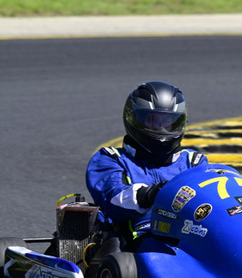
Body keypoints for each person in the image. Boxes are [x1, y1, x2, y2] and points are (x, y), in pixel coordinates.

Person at [86, 81, 207, 246]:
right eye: (153, 121)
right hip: (140, 241)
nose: (161, 129)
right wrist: (148, 194)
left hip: (190, 239)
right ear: (133, 119)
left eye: (167, 122)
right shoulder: (110, 158)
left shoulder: (193, 162)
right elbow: (113, 198)